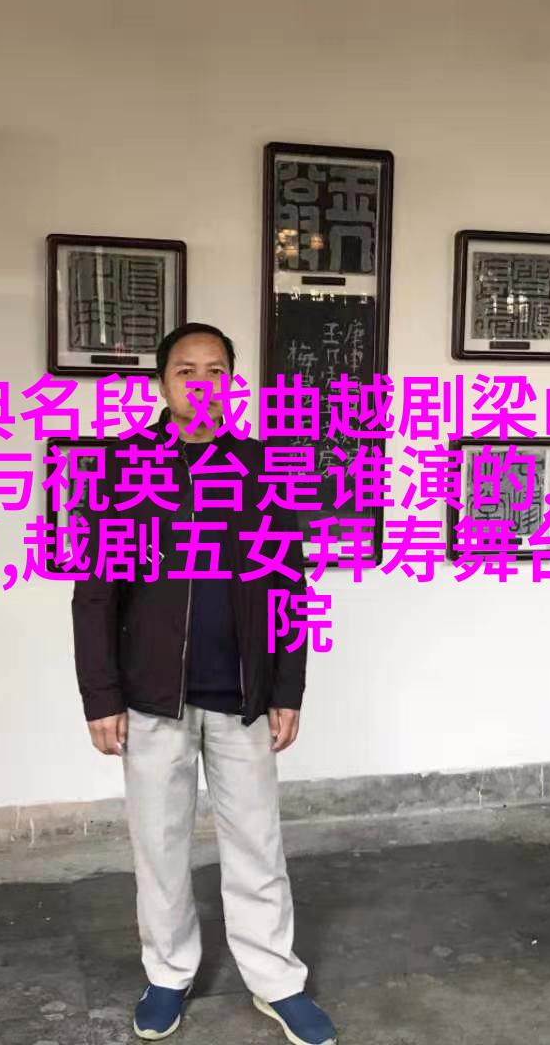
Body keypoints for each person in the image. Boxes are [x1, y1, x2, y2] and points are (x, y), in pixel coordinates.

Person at [72, 322, 337, 1045]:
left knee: (256, 842)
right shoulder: (121, 466)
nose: (201, 383)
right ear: (162, 383)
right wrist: (101, 695)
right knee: (159, 846)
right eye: (185, 370)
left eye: (215, 369)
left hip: (242, 696)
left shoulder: (265, 467)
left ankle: (276, 980)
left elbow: (290, 584)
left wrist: (288, 688)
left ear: (232, 382)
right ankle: (168, 973)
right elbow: (95, 593)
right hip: (151, 698)